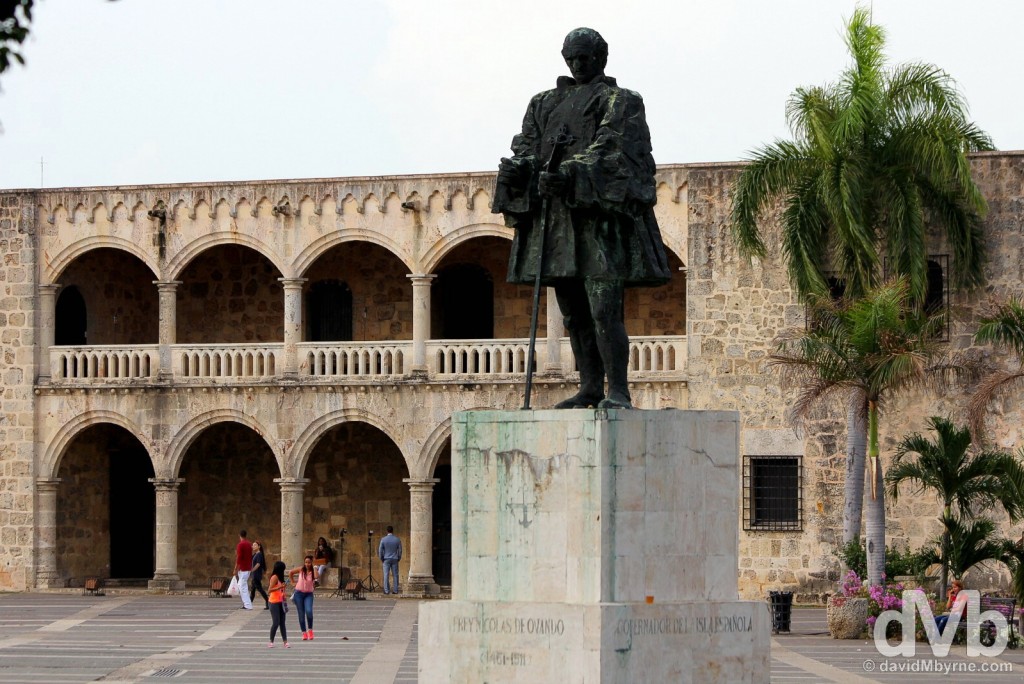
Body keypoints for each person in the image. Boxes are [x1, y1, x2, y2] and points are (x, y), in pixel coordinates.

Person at [493, 27, 671, 410]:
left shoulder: (621, 100)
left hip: (598, 221)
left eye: (585, 58)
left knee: (604, 308)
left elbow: (615, 149)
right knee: (573, 312)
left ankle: (618, 391)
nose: (577, 65)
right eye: (571, 58)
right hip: (557, 223)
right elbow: (526, 146)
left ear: (602, 57)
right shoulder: (542, 103)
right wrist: (518, 171)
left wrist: (570, 175)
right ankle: (590, 386)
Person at [288, 555, 317, 640]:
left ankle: (310, 630)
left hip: (308, 594)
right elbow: (291, 572)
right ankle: (304, 632)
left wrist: (314, 566)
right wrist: (292, 582)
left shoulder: (313, 571)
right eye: (306, 562)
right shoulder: (301, 569)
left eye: (309, 562)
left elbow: (316, 576)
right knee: (301, 614)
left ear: (311, 563)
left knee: (309, 611)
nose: (307, 564)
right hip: (299, 594)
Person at [267, 560, 290, 648]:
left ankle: (285, 641)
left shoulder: (280, 578)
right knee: (276, 622)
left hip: (281, 601)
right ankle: (271, 641)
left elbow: (281, 589)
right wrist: (280, 586)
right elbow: (269, 590)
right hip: (273, 602)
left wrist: (283, 589)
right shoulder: (274, 577)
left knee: (282, 623)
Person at [232, 529, 254, 610]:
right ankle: (247, 604)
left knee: (242, 586)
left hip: (243, 568)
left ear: (239, 535)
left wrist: (235, 569)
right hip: (247, 567)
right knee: (243, 586)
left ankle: (247, 604)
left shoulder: (240, 545)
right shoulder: (249, 544)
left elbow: (239, 557)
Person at [378, 525, 403, 595]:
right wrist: (399, 558)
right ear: (392, 531)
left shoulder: (383, 539)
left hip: (386, 558)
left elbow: (380, 551)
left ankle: (386, 590)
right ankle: (395, 590)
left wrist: (381, 558)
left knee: (386, 575)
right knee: (395, 575)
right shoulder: (397, 539)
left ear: (387, 531)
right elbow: (400, 550)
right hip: (395, 558)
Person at [250, 540, 269, 610]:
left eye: (255, 545)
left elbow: (258, 564)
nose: (253, 546)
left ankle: (268, 601)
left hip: (256, 575)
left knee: (260, 589)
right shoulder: (255, 554)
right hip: (254, 574)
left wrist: (252, 570)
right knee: (252, 590)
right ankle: (248, 603)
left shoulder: (259, 554)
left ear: (259, 547)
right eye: (253, 545)